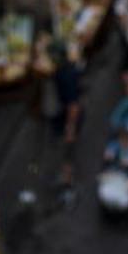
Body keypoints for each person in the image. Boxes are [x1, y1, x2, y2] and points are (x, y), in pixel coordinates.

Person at [51, 40, 84, 188]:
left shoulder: (66, 75)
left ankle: (67, 178)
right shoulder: (68, 67)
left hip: (67, 118)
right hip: (65, 114)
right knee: (65, 147)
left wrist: (70, 127)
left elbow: (73, 106)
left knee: (66, 149)